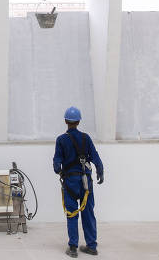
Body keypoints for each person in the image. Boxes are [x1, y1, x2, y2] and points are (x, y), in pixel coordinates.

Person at [53, 107, 104, 257]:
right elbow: (95, 157)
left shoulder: (61, 140)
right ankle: (91, 246)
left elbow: (57, 163)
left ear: (65, 121)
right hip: (86, 181)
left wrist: (59, 171)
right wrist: (100, 171)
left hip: (70, 182)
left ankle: (73, 248)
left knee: (72, 213)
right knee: (88, 212)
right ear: (79, 121)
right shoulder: (86, 138)